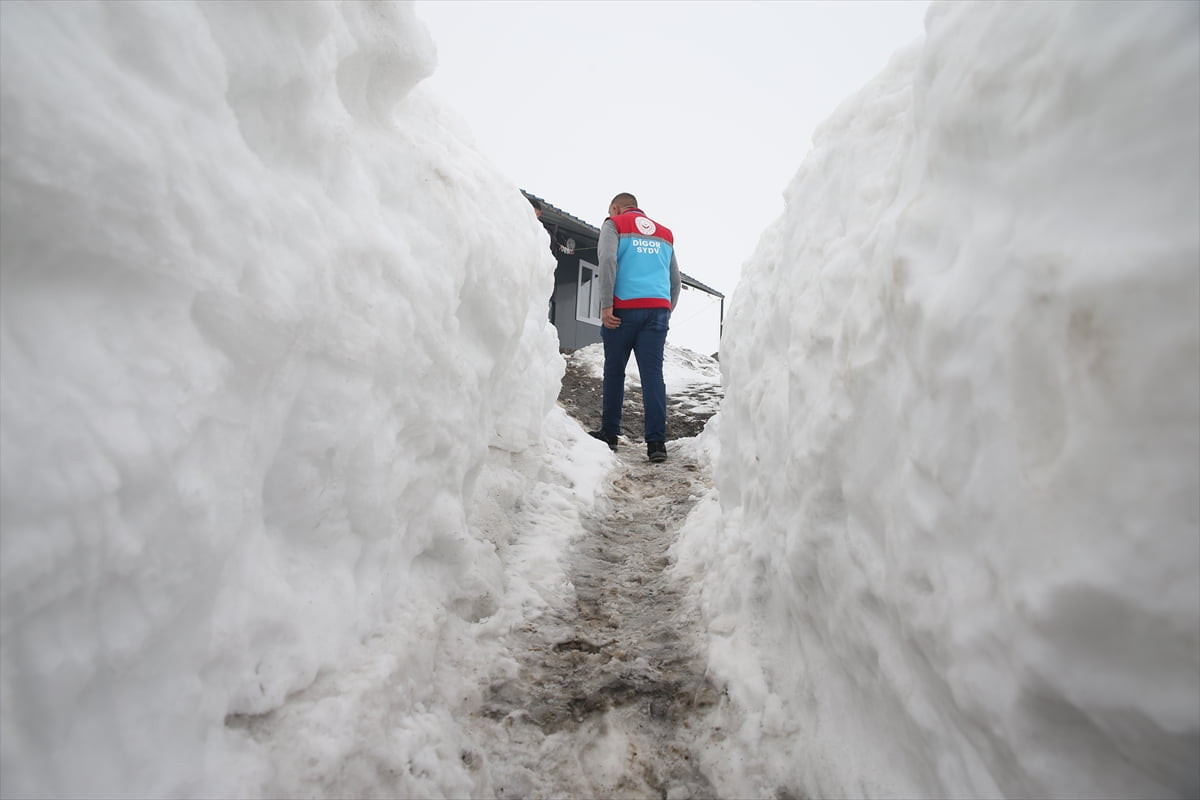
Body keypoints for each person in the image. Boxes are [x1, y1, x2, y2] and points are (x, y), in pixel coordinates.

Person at [589, 192, 681, 462]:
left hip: (622, 310)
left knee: (614, 372)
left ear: (615, 208)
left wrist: (606, 305)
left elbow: (608, 260)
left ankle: (610, 434)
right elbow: (675, 281)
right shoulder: (665, 233)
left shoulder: (613, 224)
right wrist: (665, 310)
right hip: (657, 310)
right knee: (653, 376)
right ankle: (656, 444)